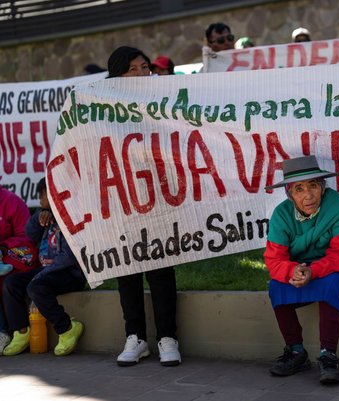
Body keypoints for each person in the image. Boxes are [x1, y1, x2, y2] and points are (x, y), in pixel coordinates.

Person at [263, 155, 339, 384]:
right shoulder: (281, 215)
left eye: (314, 186)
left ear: (323, 187)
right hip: (301, 269)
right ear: (289, 193)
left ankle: (328, 356)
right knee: (276, 287)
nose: (308, 195)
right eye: (299, 189)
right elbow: (274, 260)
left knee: (330, 284)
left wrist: (312, 272)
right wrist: (292, 271)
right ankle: (296, 352)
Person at [106, 45, 181, 367]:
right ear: (117, 76)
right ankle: (135, 337)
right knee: (128, 271)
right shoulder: (102, 110)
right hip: (122, 200)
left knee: (161, 269)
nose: (141, 74)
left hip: (159, 197)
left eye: (145, 67)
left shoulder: (163, 104)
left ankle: (168, 338)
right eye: (133, 69)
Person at [2, 178, 86, 356]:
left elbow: (69, 257)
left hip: (69, 273)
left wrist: (42, 274)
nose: (40, 201)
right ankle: (21, 331)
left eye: (42, 197)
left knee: (36, 286)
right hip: (48, 271)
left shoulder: (71, 216)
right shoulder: (46, 216)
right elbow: (29, 234)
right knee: (11, 283)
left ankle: (67, 328)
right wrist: (40, 215)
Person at [0, 185, 37, 353]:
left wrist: (3, 248)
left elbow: (26, 237)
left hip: (16, 255)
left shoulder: (11, 201)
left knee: (8, 281)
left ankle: (3, 332)